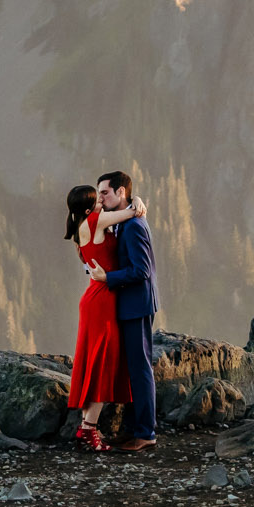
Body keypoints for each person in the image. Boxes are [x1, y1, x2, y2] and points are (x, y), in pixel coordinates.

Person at [66, 176, 144, 450]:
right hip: (102, 300)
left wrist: (104, 274)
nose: (101, 199)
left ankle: (86, 428)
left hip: (94, 296)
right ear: (88, 208)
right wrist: (138, 200)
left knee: (94, 360)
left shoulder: (80, 228)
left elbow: (91, 266)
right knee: (102, 364)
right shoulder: (95, 222)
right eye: (96, 197)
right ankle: (89, 430)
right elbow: (132, 212)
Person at [91, 169, 160, 451]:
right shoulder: (125, 218)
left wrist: (108, 279)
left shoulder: (133, 225)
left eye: (105, 192)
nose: (101, 198)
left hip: (137, 305)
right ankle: (134, 430)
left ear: (121, 192)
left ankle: (146, 434)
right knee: (132, 370)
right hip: (129, 305)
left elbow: (141, 270)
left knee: (141, 369)